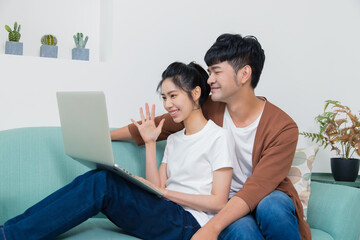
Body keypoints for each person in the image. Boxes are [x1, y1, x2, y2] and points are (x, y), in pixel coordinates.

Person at [0, 62, 234, 240]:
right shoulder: (173, 140)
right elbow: (157, 188)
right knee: (98, 177)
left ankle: (8, 235)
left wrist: (166, 194)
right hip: (166, 211)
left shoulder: (218, 137)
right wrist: (150, 143)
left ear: (195, 94)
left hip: (190, 224)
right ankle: (8, 230)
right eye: (164, 97)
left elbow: (218, 202)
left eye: (173, 96)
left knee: (103, 184)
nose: (167, 104)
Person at [111, 34, 311, 240]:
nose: (209, 80)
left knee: (272, 207)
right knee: (243, 231)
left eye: (216, 72)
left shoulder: (284, 128)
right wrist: (106, 134)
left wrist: (212, 228)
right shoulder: (210, 108)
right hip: (225, 202)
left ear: (244, 74)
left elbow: (257, 188)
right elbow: (157, 125)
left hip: (264, 197)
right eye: (208, 72)